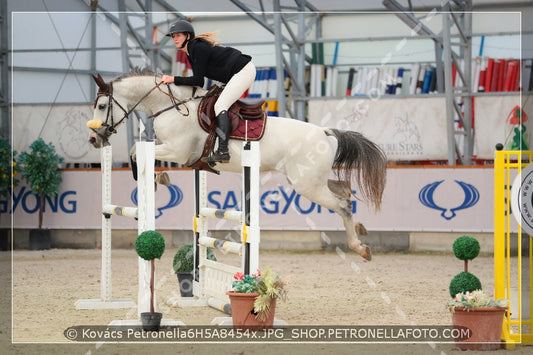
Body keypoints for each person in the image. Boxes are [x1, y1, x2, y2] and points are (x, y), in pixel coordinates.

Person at [161, 20, 256, 163]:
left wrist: (173, 79)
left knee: (220, 106)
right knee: (211, 102)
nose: (175, 39)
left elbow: (198, 81)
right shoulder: (190, 51)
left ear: (188, 36)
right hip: (233, 75)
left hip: (243, 71)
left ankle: (223, 151)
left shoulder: (196, 48)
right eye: (173, 36)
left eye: (178, 35)